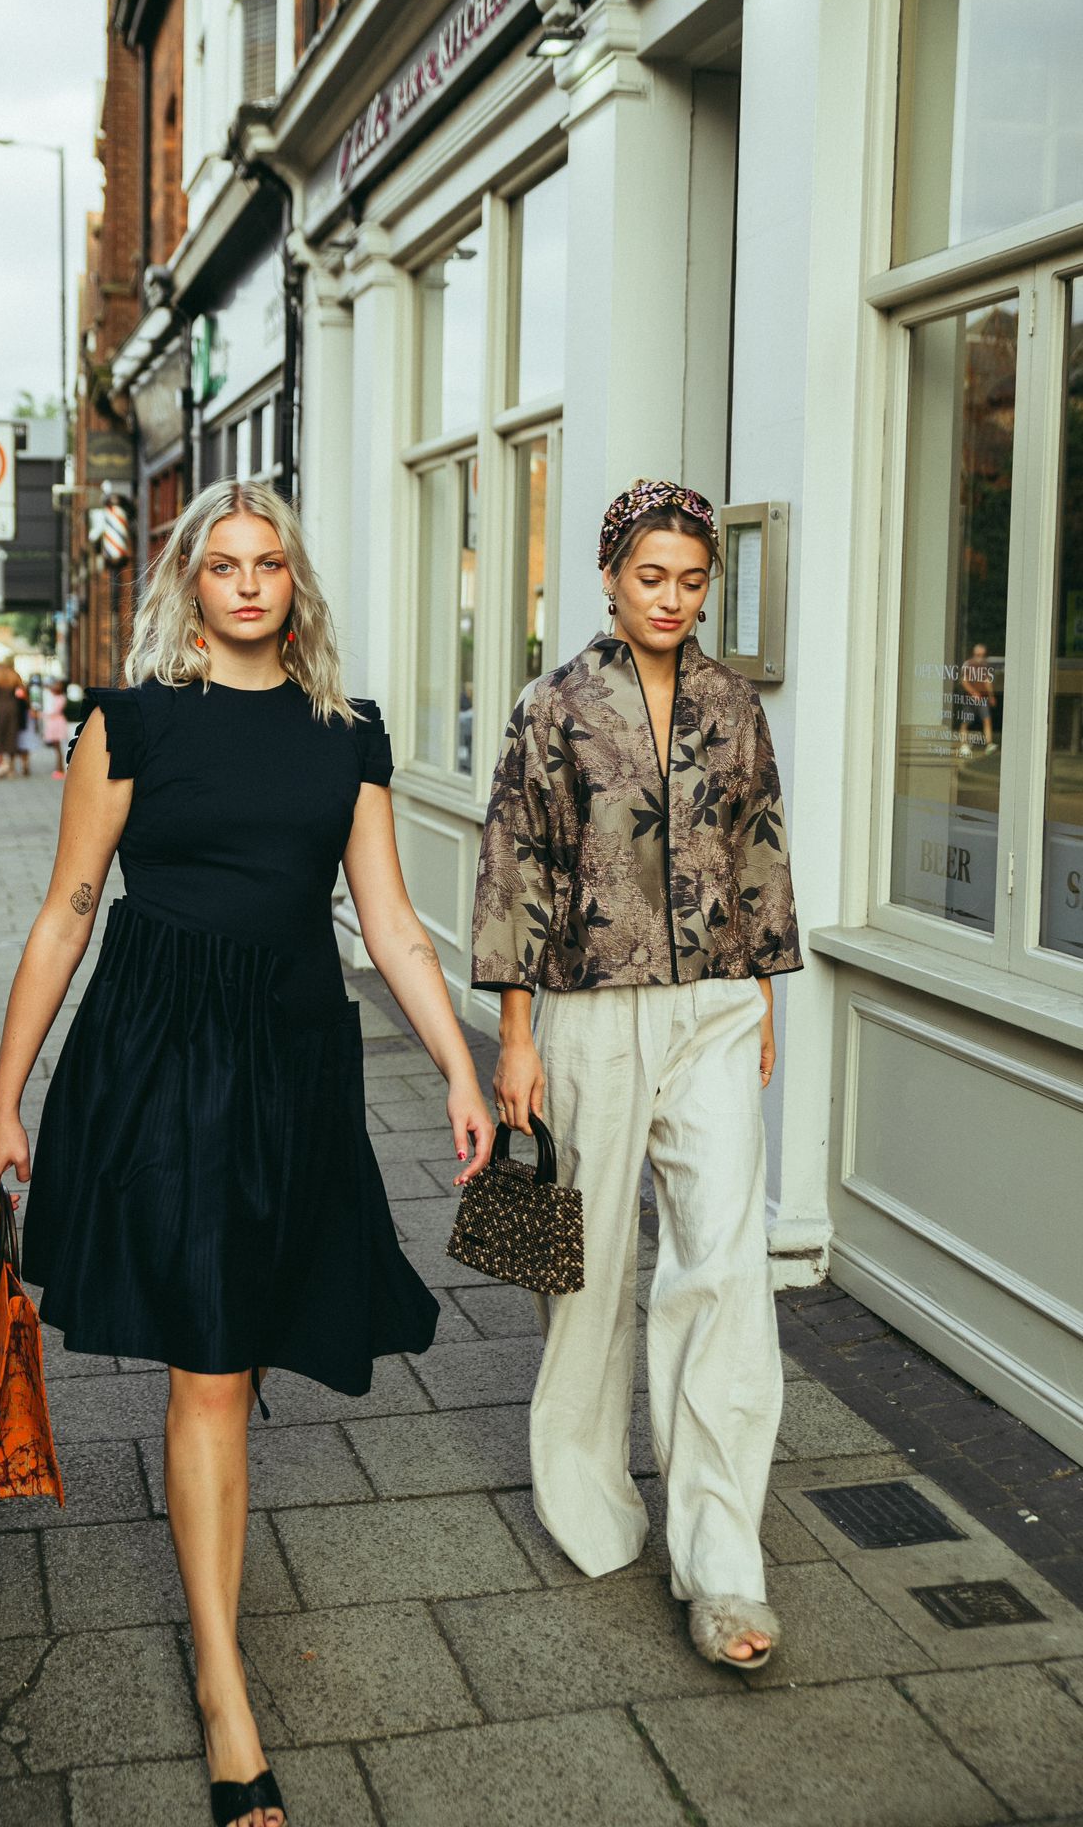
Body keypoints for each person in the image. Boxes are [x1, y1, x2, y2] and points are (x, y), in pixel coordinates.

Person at [0, 482, 495, 1827]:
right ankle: (225, 1694)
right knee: (211, 1367)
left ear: (293, 584)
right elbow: (67, 911)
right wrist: (2, 1101)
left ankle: (216, 1639)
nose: (248, 584)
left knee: (243, 1348)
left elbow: (391, 925)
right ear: (191, 585)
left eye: (269, 564)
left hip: (291, 1066)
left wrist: (460, 1062)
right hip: (159, 1062)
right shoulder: (133, 723)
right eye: (223, 565)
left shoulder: (349, 738)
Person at [471, 477, 803, 1674]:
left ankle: (722, 1558)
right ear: (610, 575)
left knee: (723, 1265)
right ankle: (587, 1495)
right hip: (586, 1008)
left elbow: (760, 843)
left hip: (715, 1003)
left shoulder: (734, 702)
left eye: (692, 578)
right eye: (651, 576)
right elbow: (514, 870)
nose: (672, 597)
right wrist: (515, 1037)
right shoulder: (554, 706)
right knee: (592, 1259)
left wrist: (760, 991)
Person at [0, 658, 25, 778]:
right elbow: (22, 690)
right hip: (12, 706)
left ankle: (2, 763)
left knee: (0, 733)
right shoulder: (14, 674)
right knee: (12, 734)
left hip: (0, 706)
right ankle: (11, 767)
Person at [957, 643, 997, 757]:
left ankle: (989, 744)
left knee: (987, 720)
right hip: (969, 699)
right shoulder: (967, 664)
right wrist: (973, 693)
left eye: (982, 655)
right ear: (973, 654)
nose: (980, 656)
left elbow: (987, 682)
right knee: (965, 722)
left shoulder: (985, 666)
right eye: (978, 654)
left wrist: (991, 696)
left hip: (983, 698)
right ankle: (963, 745)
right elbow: (964, 681)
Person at [41, 677, 69, 779]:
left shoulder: (60, 698)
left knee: (60, 748)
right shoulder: (53, 697)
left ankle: (61, 768)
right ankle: (59, 768)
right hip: (53, 723)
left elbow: (54, 711)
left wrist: (41, 714)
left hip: (57, 723)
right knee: (57, 748)